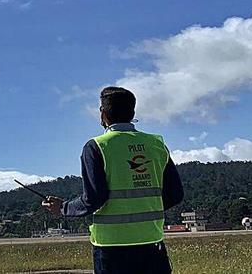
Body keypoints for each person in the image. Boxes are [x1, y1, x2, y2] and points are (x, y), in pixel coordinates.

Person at [42, 86, 184, 274]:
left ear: (103, 113)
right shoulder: (156, 144)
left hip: (111, 246)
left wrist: (63, 207)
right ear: (132, 112)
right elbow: (175, 194)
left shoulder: (96, 147)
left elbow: (94, 198)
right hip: (152, 242)